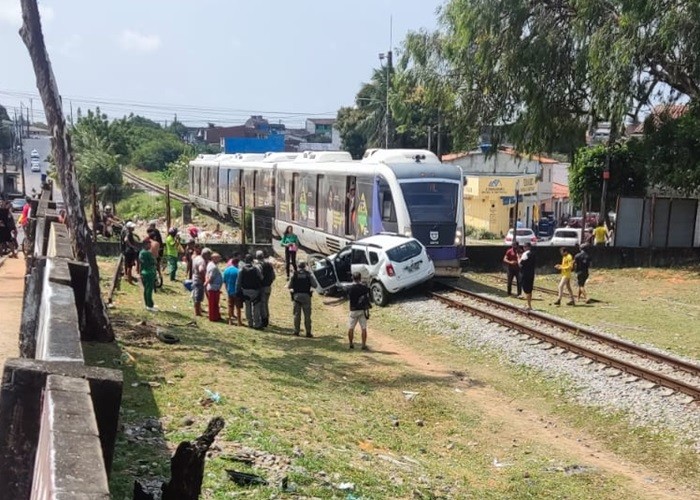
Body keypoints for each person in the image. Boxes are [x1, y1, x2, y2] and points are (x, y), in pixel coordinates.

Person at [287, 261, 319, 337]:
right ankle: (308, 332)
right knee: (307, 316)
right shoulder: (308, 275)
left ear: (298, 266)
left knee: (296, 315)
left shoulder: (294, 274)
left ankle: (296, 331)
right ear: (305, 266)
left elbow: (289, 286)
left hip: (297, 296)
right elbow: (315, 285)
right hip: (306, 296)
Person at [236, 254, 264, 329]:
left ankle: (250, 323)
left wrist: (238, 291)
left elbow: (238, 282)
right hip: (255, 291)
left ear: (245, 260)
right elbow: (261, 278)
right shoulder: (256, 269)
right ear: (252, 261)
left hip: (245, 291)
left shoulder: (241, 270)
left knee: (247, 307)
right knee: (256, 308)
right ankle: (257, 323)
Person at [347, 272, 371, 350]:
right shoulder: (363, 287)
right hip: (362, 309)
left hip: (353, 309)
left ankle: (351, 344)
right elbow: (368, 294)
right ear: (360, 278)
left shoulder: (350, 288)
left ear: (353, 278)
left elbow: (348, 296)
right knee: (363, 328)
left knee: (351, 328)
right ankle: (363, 345)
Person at [255, 250, 276, 327]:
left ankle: (264, 320)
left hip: (262, 287)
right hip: (268, 287)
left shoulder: (258, 266)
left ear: (256, 257)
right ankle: (267, 317)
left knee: (263, 304)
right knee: (266, 303)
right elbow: (274, 276)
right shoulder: (269, 265)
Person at [223, 257, 243, 326]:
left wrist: (227, 289)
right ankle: (239, 322)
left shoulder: (226, 270)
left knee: (230, 306)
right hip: (237, 291)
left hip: (229, 290)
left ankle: (230, 321)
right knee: (238, 307)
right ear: (237, 263)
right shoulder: (238, 271)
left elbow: (225, 281)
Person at [139, 239, 157, 311]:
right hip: (149, 272)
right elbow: (154, 261)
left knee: (146, 289)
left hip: (143, 272)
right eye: (149, 244)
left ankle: (147, 304)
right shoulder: (147, 253)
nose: (150, 246)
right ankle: (150, 305)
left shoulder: (141, 252)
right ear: (145, 244)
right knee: (149, 289)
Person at [205, 252, 223, 322]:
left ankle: (216, 316)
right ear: (213, 258)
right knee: (213, 304)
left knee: (215, 303)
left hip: (213, 287)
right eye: (218, 258)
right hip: (213, 287)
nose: (219, 259)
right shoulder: (214, 267)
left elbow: (207, 274)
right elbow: (211, 277)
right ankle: (213, 317)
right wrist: (207, 282)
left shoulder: (209, 264)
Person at [191, 246, 209, 317]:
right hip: (199, 280)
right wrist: (204, 279)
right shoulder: (202, 261)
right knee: (198, 297)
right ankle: (197, 312)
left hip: (195, 278)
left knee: (197, 295)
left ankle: (198, 310)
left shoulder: (197, 258)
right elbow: (201, 270)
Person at [518, 242, 536, 311]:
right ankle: (529, 304)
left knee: (526, 289)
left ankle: (529, 305)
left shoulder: (525, 254)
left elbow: (520, 264)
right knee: (530, 289)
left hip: (525, 274)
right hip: (531, 273)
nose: (523, 248)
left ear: (527, 247)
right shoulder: (533, 254)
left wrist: (519, 258)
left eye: (524, 247)